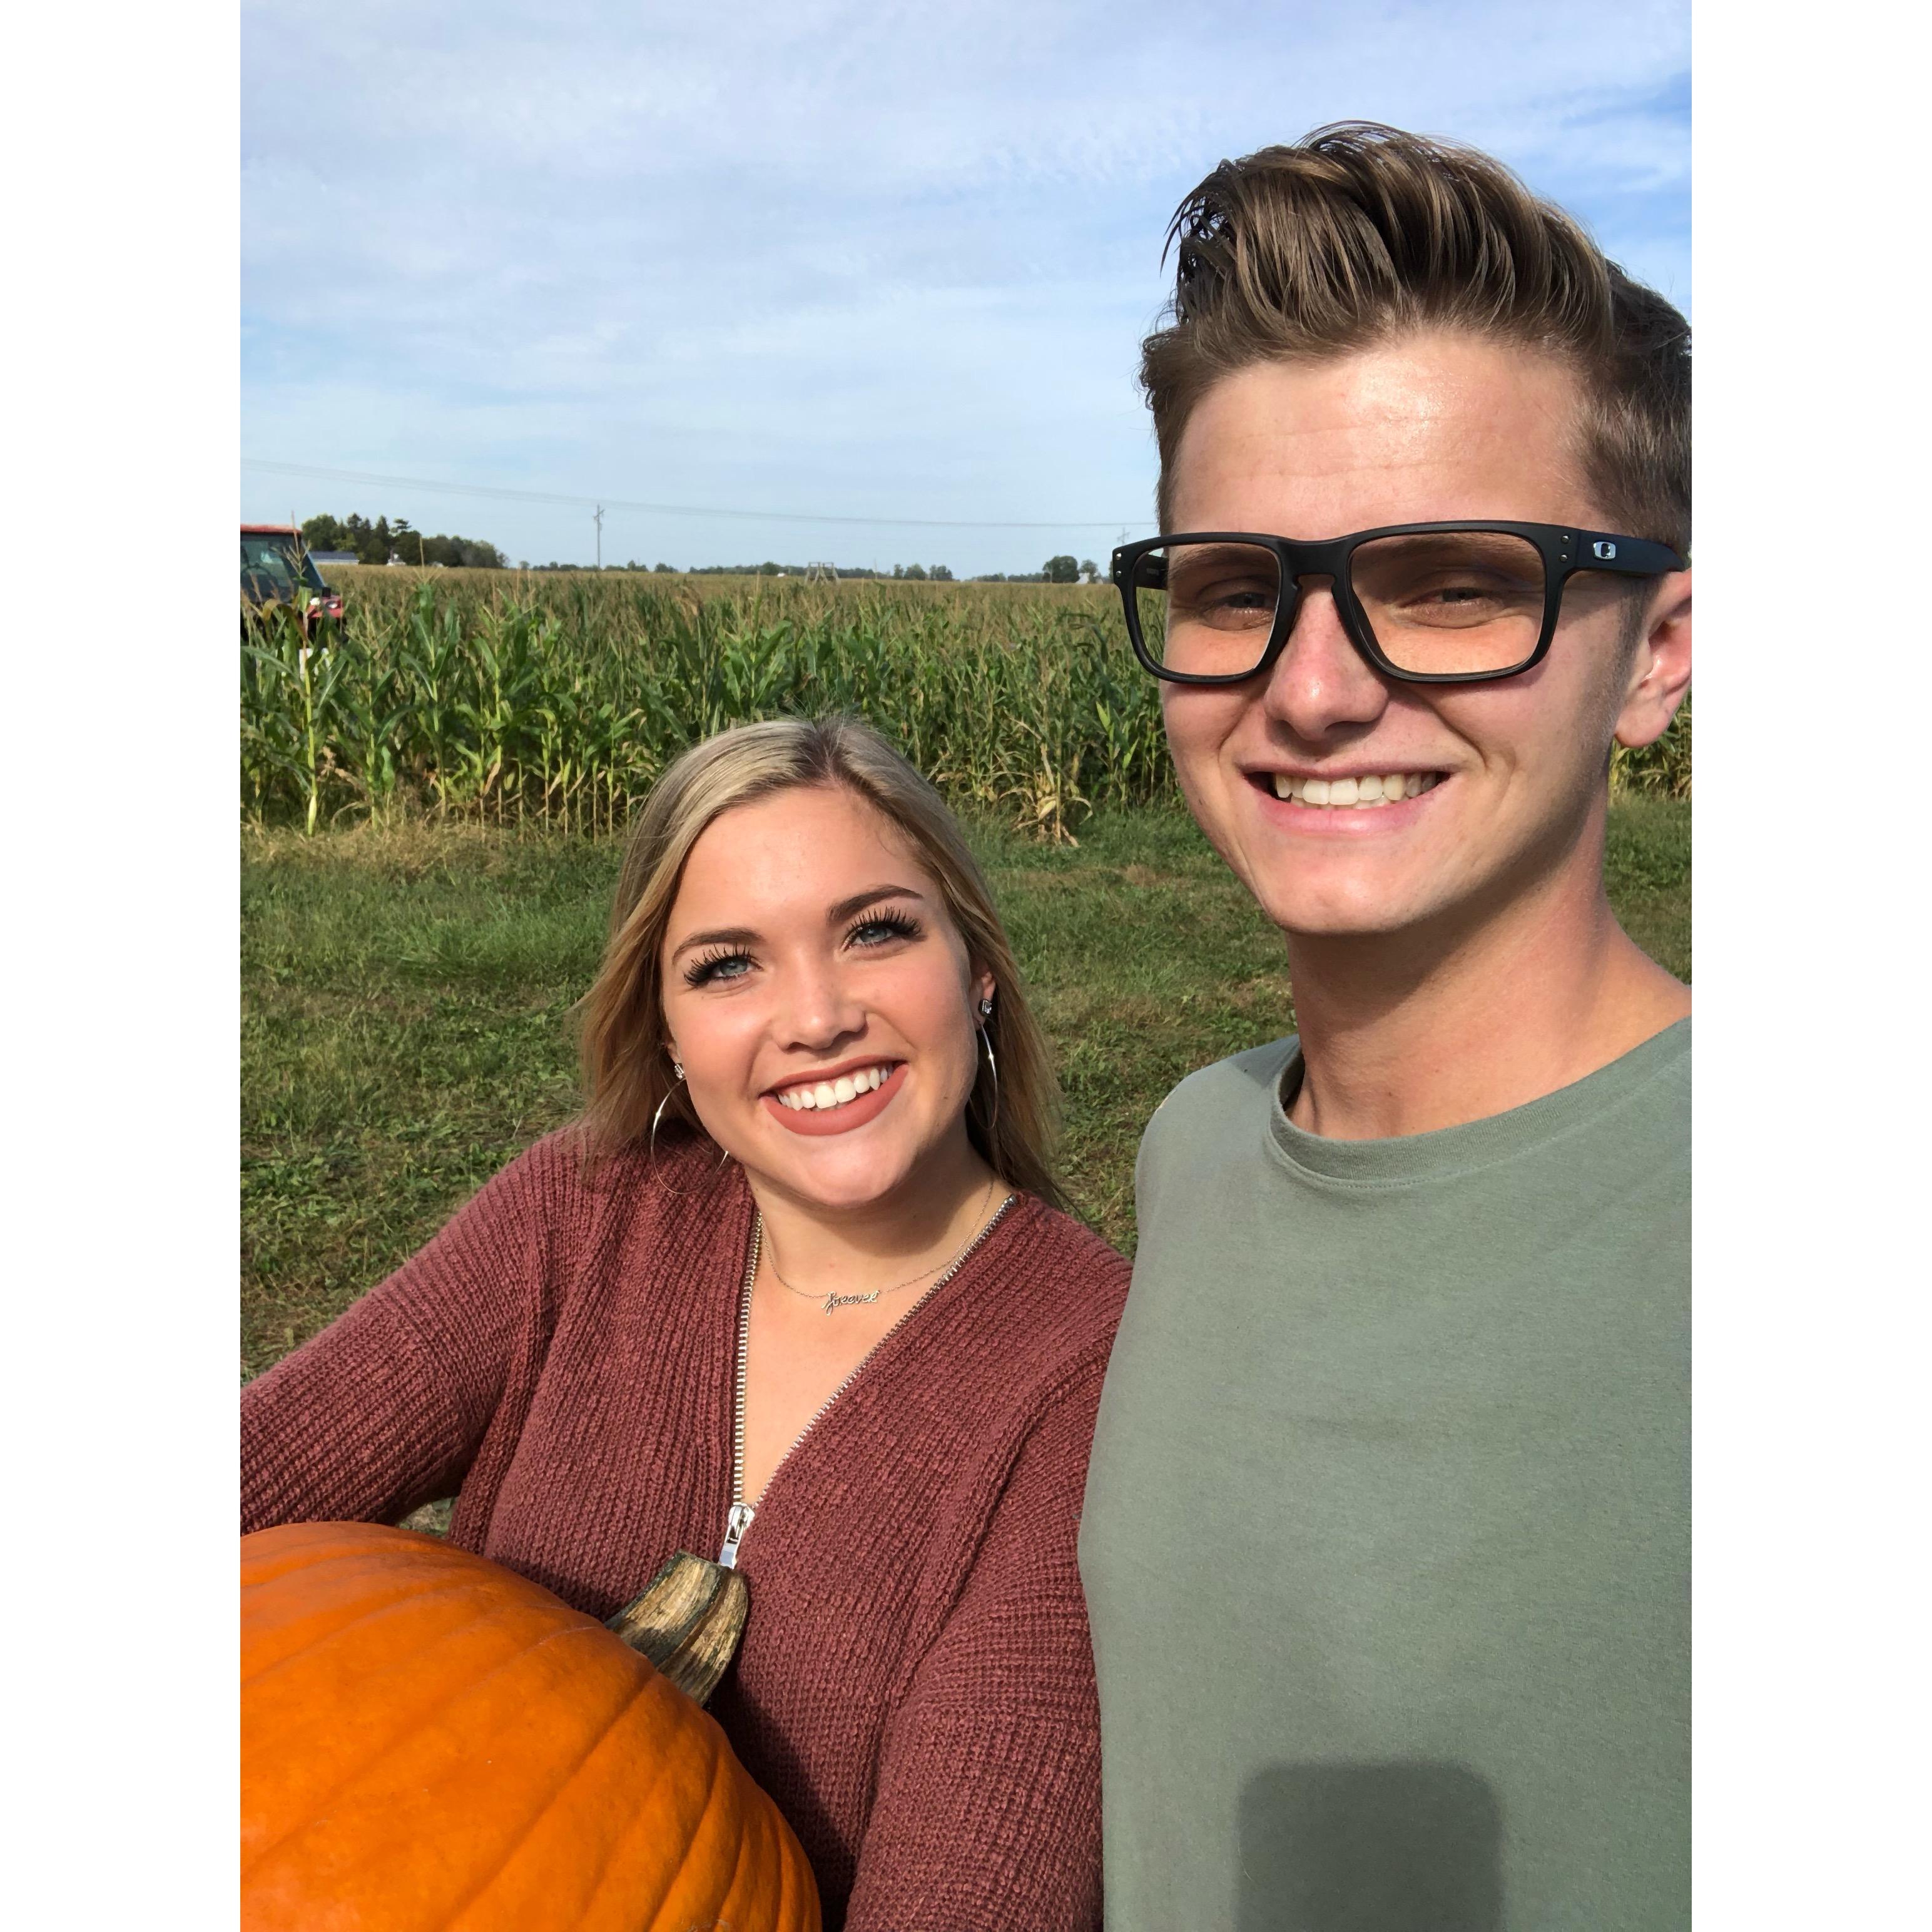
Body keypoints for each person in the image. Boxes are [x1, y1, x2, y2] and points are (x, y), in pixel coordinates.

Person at [1077, 125, 1692, 1929]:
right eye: (1235, 587)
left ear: (1657, 650)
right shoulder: (1195, 1152)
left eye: (1451, 583)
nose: (1319, 687)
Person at [242, 715, 1128, 1932]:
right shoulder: (584, 1214)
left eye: (875, 930)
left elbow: (974, 1887)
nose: (815, 1015)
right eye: (727, 963)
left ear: (975, 970)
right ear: (663, 1027)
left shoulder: (1089, 1372)